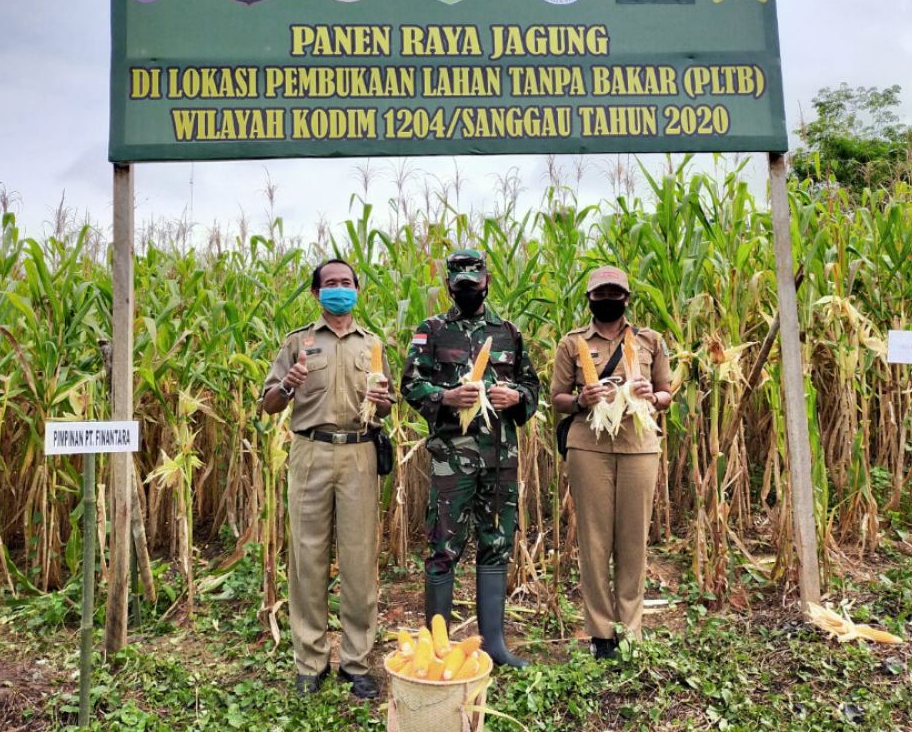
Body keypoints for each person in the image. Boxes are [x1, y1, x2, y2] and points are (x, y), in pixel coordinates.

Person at [401, 249, 540, 668]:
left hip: (499, 458)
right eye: (459, 285)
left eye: (474, 284)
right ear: (449, 286)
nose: (467, 290)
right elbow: (411, 384)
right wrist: (445, 397)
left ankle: (493, 645)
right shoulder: (432, 330)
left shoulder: (509, 333)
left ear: (487, 283)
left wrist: (517, 397)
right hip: (451, 461)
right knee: (443, 547)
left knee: (496, 543)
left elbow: (532, 387)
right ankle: (438, 649)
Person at [261, 259, 394, 698]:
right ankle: (310, 663)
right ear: (316, 294)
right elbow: (269, 404)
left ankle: (356, 663)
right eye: (330, 284)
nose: (340, 289)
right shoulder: (298, 342)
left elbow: (388, 404)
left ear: (358, 289)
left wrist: (384, 399)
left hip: (358, 452)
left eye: (346, 283)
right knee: (307, 558)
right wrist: (288, 385)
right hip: (311, 452)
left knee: (359, 561)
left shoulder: (371, 344)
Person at [550, 265, 673, 658]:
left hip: (639, 445)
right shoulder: (572, 344)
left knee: (633, 539)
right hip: (589, 446)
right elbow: (557, 399)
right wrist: (583, 400)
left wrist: (650, 397)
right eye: (599, 294)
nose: (607, 300)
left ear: (626, 298)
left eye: (614, 293)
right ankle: (601, 633)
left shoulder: (650, 340)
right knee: (594, 539)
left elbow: (667, 392)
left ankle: (630, 629)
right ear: (589, 299)